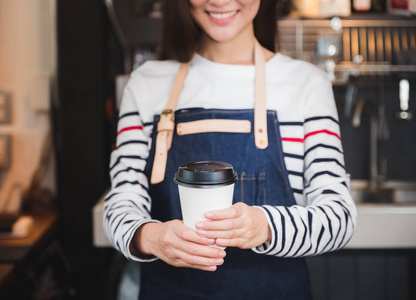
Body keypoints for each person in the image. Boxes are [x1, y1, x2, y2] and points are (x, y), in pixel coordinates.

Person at [103, 0, 357, 299]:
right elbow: (121, 200)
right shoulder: (146, 84)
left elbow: (339, 217)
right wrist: (151, 238)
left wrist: (265, 226)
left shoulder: (306, 85)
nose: (220, 1)